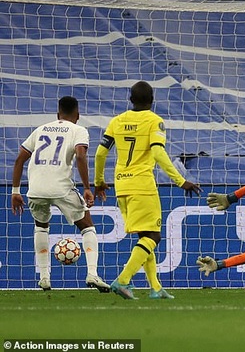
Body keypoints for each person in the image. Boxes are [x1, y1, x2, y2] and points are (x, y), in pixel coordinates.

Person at [94, 81, 201, 300]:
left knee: (145, 236)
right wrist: (181, 181)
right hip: (142, 184)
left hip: (121, 185)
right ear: (152, 100)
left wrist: (98, 182)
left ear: (130, 99)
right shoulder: (155, 121)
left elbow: (100, 154)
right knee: (153, 235)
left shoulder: (117, 121)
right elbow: (158, 153)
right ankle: (123, 280)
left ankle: (155, 287)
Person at [10, 96, 111, 292]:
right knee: (87, 225)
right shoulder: (78, 130)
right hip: (61, 187)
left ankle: (44, 278)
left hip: (36, 188)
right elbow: (81, 155)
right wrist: (87, 187)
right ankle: (92, 274)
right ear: (78, 115)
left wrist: (15, 191)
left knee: (41, 226)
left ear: (58, 114)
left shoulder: (40, 129)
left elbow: (19, 159)